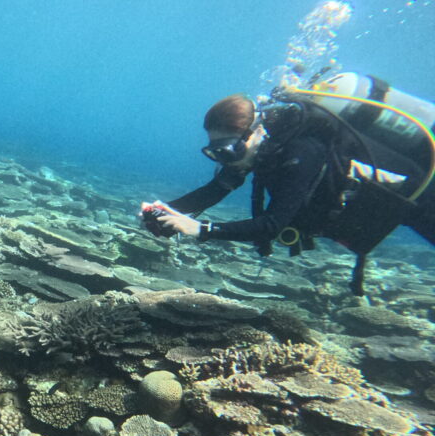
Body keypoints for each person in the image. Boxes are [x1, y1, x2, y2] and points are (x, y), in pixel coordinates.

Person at [141, 81, 435, 294]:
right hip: (385, 208)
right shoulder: (261, 151)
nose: (226, 160)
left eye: (229, 150)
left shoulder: (301, 150)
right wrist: (164, 210)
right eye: (216, 152)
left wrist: (200, 229)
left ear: (256, 131)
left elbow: (272, 225)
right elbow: (215, 189)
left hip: (421, 200)